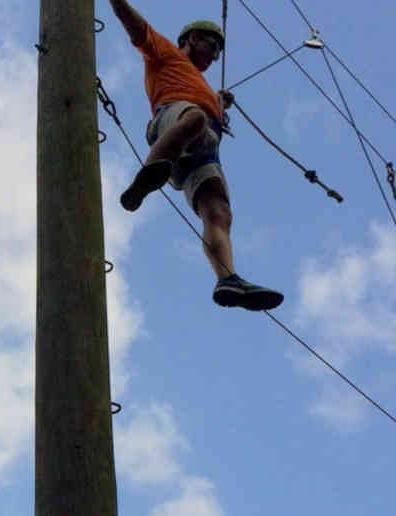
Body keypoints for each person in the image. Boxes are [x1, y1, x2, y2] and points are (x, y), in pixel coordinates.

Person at [108, 0, 284, 311]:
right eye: (212, 45)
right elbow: (136, 26)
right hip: (173, 122)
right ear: (192, 39)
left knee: (218, 211)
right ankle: (147, 176)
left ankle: (227, 278)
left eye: (218, 52)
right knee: (196, 119)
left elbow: (202, 99)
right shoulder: (166, 53)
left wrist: (219, 102)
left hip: (201, 147)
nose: (215, 55)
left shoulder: (201, 83)